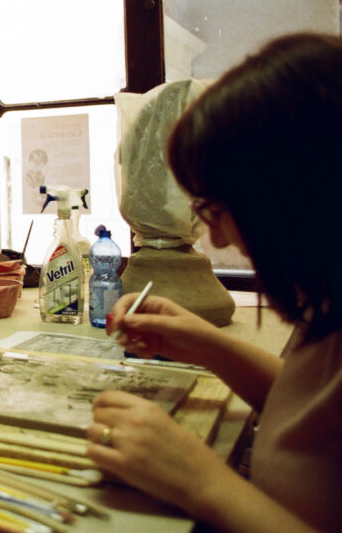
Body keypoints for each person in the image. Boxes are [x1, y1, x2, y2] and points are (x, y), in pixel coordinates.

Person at [88, 32, 342, 532]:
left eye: (217, 208)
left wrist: (199, 480)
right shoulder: (328, 302)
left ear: (295, 196)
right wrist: (203, 343)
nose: (218, 237)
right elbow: (311, 411)